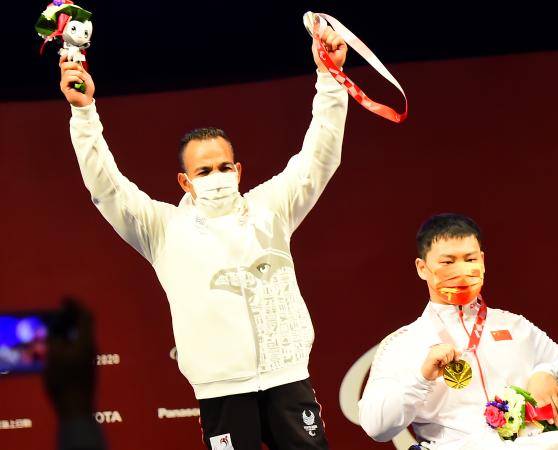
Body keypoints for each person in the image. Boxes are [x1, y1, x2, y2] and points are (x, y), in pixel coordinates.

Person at [58, 26, 349, 450]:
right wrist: (84, 115)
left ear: (239, 170)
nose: (217, 177)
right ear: (185, 182)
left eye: (224, 167)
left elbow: (320, 156)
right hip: (221, 392)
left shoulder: (271, 207)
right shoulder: (162, 228)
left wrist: (329, 77)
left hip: (288, 378)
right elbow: (107, 188)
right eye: (204, 171)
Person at [358, 213, 558, 450]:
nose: (461, 270)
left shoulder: (514, 325)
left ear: (482, 261)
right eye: (448, 262)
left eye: (470, 259)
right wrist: (421, 379)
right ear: (422, 268)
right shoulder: (402, 343)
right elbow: (376, 427)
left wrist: (547, 373)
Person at [44, 299, 106, 450]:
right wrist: (80, 313)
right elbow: (85, 347)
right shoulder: (82, 369)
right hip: (86, 432)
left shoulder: (53, 373)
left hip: (70, 434)